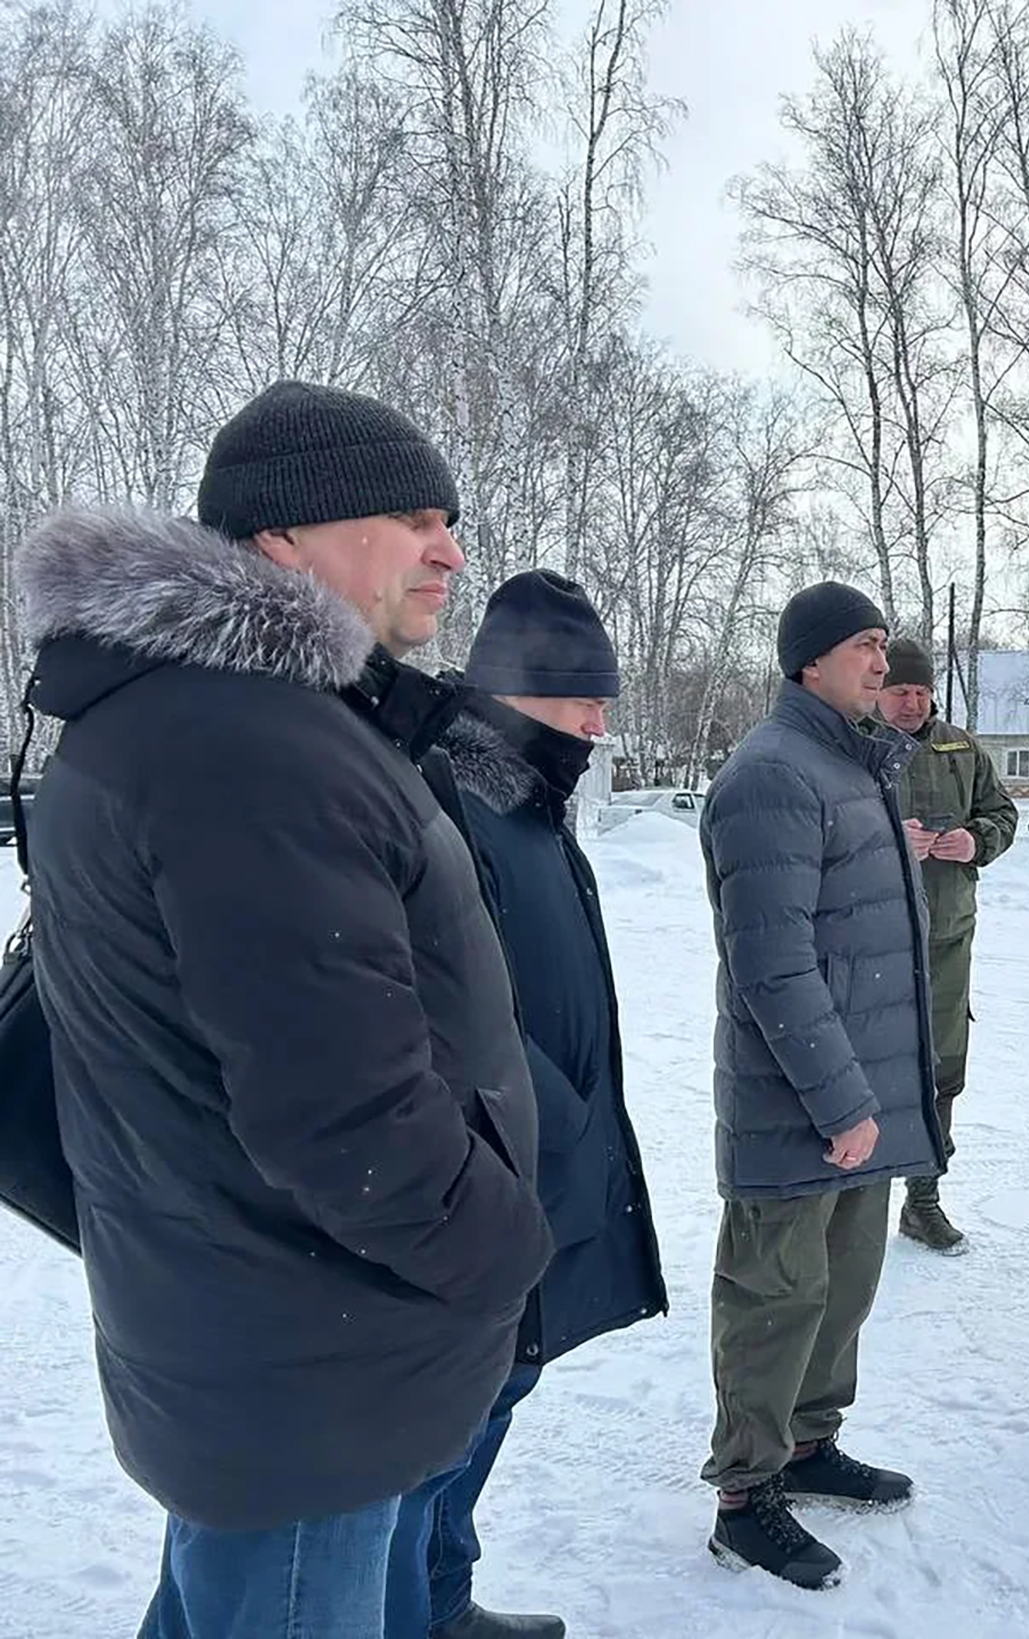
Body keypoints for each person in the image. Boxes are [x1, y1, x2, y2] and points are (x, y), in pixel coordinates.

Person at [18, 380, 556, 1639]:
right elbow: (341, 1116)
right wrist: (502, 1255)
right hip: (313, 1353)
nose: (449, 551)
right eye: (412, 518)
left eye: (450, 520)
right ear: (283, 539)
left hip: (260, 1328)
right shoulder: (248, 743)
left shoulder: (202, 713)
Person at [391, 571, 671, 1639]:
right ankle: (407, 1611)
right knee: (443, 1420)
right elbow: (456, 1013)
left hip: (543, 1165)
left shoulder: (530, 804)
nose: (599, 723)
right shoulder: (453, 803)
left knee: (499, 1391)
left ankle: (438, 1596)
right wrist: (549, 1131)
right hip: (489, 1177)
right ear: (517, 688)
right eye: (582, 698)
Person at [699, 582, 945, 1589]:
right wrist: (841, 1100)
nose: (882, 662)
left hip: (857, 1095)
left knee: (841, 1289)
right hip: (796, 1101)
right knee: (775, 1297)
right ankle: (745, 1493)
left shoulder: (850, 763)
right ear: (808, 660)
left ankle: (807, 1443)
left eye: (884, 644)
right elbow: (773, 961)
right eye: (862, 645)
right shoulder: (770, 774)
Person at [873, 635, 1019, 1254]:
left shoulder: (961, 748)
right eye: (899, 691)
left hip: (947, 935)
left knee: (941, 1070)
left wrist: (975, 840)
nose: (911, 703)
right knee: (867, 1069)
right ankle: (852, 1205)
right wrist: (888, 839)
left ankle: (923, 1199)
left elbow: (1003, 813)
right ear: (878, 692)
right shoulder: (857, 746)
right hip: (873, 940)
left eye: (921, 691)